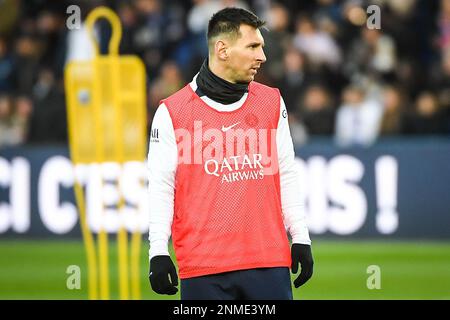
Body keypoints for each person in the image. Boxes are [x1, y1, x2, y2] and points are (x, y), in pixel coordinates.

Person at [147, 7, 313, 300]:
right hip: (203, 267)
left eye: (261, 46)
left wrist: (300, 237)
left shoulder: (272, 101)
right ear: (222, 49)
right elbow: (161, 186)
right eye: (253, 46)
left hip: (268, 262)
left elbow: (286, 172)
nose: (262, 56)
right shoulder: (171, 112)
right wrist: (158, 251)